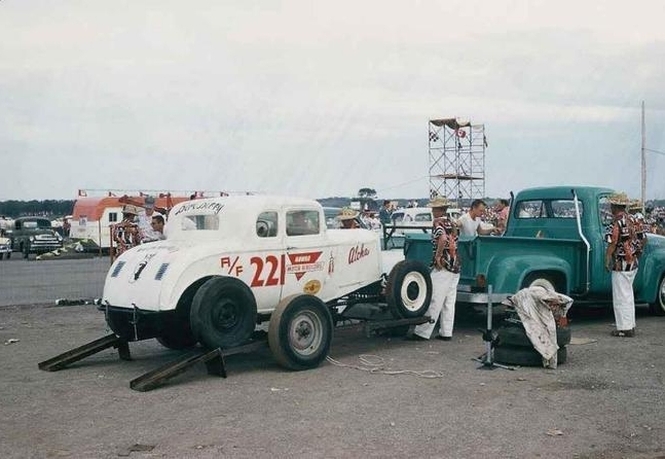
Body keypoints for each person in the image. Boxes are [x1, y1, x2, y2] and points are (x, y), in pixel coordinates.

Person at [407, 195, 460, 341]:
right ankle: (446, 332)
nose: (432, 211)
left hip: (443, 264)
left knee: (434, 298)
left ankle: (422, 332)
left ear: (439, 209)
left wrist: (438, 256)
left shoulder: (438, 222)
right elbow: (454, 236)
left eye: (434, 208)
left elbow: (442, 238)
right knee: (449, 301)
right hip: (454, 264)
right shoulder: (451, 222)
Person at [604, 192, 641, 337]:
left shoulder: (617, 222)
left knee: (621, 296)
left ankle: (624, 328)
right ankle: (629, 325)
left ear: (615, 206)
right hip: (632, 261)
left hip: (621, 262)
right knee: (628, 295)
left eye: (611, 205)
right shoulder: (631, 219)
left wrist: (607, 257)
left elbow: (613, 241)